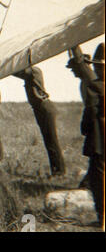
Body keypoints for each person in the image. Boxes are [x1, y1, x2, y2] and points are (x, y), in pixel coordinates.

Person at [66, 43, 104, 226]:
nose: (72, 71)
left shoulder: (92, 82)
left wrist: (73, 43)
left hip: (99, 138)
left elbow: (90, 113)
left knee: (99, 175)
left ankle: (103, 217)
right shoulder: (90, 80)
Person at [14, 67, 66, 176]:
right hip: (41, 108)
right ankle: (58, 171)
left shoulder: (34, 71)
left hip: (44, 108)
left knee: (51, 141)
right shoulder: (32, 72)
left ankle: (59, 172)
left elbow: (16, 71)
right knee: (50, 141)